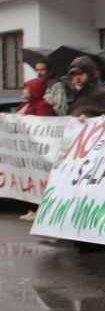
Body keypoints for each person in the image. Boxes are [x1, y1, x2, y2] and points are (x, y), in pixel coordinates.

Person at [66, 56, 105, 253]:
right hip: (81, 155)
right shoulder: (79, 94)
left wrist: (89, 120)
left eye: (80, 74)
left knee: (94, 198)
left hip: (96, 156)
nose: (76, 79)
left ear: (90, 74)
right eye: (73, 75)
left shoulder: (100, 94)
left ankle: (98, 240)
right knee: (81, 197)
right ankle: (84, 235)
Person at [15, 77, 56, 222]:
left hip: (37, 153)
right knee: (28, 179)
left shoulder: (43, 106)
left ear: (34, 90)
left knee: (39, 179)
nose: (23, 91)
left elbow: (45, 127)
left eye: (26, 88)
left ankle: (39, 209)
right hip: (25, 152)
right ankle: (30, 208)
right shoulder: (24, 106)